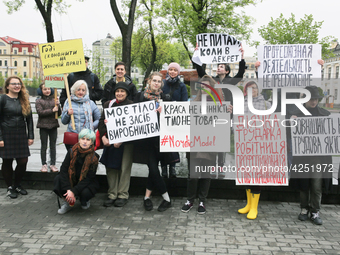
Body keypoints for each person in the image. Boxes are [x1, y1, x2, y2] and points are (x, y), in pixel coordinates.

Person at [181, 75, 224, 214]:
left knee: (205, 174)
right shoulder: (193, 102)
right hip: (194, 144)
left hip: (210, 144)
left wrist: (228, 111)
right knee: (193, 175)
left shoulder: (219, 104)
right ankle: (190, 200)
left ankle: (202, 201)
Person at [290, 86, 332, 225]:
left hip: (318, 157)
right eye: (311, 99)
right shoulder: (296, 113)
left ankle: (315, 211)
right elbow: (289, 134)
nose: (314, 101)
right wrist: (291, 122)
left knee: (316, 184)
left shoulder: (325, 114)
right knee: (303, 184)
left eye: (316, 99)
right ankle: (303, 209)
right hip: (302, 156)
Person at [133, 72, 172, 212]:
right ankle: (166, 198)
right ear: (148, 82)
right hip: (147, 141)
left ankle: (146, 197)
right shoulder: (140, 97)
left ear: (161, 83)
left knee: (154, 170)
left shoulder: (165, 98)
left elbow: (172, 118)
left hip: (161, 140)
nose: (156, 83)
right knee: (154, 169)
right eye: (154, 80)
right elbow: (132, 116)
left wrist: (164, 113)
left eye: (159, 81)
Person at [235, 80, 272, 220]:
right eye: (249, 89)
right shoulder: (241, 103)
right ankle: (248, 205)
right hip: (244, 144)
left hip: (259, 145)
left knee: (256, 177)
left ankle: (254, 208)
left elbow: (271, 124)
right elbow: (235, 122)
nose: (252, 90)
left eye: (254, 88)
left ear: (259, 89)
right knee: (246, 175)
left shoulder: (266, 104)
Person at [99, 82, 134, 208]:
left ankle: (122, 194)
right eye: (117, 91)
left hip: (126, 144)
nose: (119, 93)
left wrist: (122, 140)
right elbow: (101, 121)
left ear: (126, 93)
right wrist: (103, 136)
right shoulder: (108, 104)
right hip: (110, 141)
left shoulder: (131, 105)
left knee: (125, 168)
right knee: (111, 168)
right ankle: (112, 194)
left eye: (122, 91)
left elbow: (133, 125)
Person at [0, 76, 34, 199]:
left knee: (23, 161)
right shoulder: (2, 99)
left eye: (19, 83)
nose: (17, 86)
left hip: (21, 135)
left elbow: (29, 120)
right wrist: (0, 138)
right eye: (13, 83)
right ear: (7, 86)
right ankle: (10, 187)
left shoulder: (24, 100)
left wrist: (30, 136)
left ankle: (17, 185)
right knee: (7, 161)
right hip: (6, 134)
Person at [54, 129, 99, 214]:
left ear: (92, 142)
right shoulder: (71, 151)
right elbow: (63, 170)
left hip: (84, 182)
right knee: (58, 179)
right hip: (71, 180)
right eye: (83, 139)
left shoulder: (94, 158)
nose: (85, 142)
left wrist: (73, 191)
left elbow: (89, 178)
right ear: (79, 140)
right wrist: (68, 190)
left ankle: (84, 200)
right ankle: (68, 201)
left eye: (88, 140)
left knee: (86, 191)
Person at [161, 62, 188, 178]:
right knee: (162, 143)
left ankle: (172, 167)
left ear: (178, 72)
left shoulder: (182, 86)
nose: (172, 72)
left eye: (175, 70)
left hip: (175, 119)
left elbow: (184, 103)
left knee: (172, 143)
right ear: (168, 71)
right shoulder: (162, 84)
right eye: (170, 69)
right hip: (162, 119)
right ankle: (163, 167)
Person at [61, 80, 101, 151]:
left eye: (83, 90)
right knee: (72, 159)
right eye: (78, 89)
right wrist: (67, 114)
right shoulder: (68, 102)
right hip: (72, 136)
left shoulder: (90, 103)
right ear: (74, 90)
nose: (81, 92)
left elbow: (99, 119)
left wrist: (91, 127)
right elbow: (63, 121)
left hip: (86, 138)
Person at [36, 82, 61, 172]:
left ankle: (53, 163)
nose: (47, 91)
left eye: (48, 89)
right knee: (44, 146)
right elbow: (40, 113)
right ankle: (44, 164)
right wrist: (52, 110)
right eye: (45, 89)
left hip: (53, 125)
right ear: (41, 90)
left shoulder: (54, 100)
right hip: (43, 126)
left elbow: (59, 114)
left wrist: (58, 105)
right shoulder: (39, 101)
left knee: (53, 146)